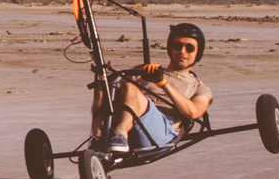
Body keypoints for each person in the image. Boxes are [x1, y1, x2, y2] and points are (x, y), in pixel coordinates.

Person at [91, 23, 212, 156]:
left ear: (197, 53)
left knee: (131, 86)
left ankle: (120, 133)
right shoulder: (146, 69)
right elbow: (115, 90)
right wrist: (107, 77)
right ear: (170, 48)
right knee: (102, 84)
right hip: (130, 118)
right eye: (177, 46)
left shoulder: (199, 87)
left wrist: (162, 83)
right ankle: (97, 138)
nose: (182, 51)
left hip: (161, 132)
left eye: (189, 48)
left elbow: (194, 112)